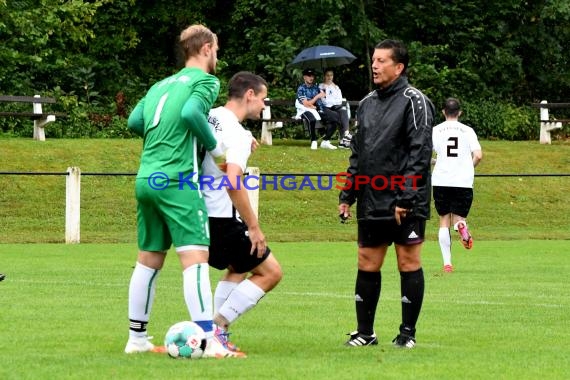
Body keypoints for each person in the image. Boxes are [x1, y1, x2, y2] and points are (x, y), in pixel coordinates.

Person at [124, 24, 240, 358]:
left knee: (148, 259)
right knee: (195, 258)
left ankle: (137, 339)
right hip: (178, 179)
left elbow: (134, 121)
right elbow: (191, 113)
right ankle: (208, 341)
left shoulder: (160, 85)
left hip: (147, 177)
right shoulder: (206, 81)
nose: (217, 55)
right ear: (205, 48)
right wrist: (218, 152)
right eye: (216, 49)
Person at [339, 39, 434, 349]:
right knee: (367, 261)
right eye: (374, 60)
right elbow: (358, 153)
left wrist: (406, 198)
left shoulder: (415, 101)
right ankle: (365, 333)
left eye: (381, 61)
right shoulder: (365, 103)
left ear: (399, 67)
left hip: (404, 200)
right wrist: (348, 194)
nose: (375, 66)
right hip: (371, 198)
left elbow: (419, 152)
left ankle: (407, 334)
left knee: (407, 262)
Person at [202, 71, 283, 354]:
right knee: (271, 273)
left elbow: (210, 161)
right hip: (222, 216)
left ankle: (214, 333)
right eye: (262, 99)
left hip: (199, 212)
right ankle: (216, 328)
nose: (263, 106)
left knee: (238, 268)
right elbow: (234, 181)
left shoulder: (209, 115)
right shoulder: (236, 132)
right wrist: (254, 226)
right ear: (250, 95)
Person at [432, 97, 483, 272]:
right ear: (459, 112)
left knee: (443, 219)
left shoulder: (436, 130)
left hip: (441, 180)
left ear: (443, 112)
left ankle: (447, 263)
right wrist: (469, 167)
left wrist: (434, 162)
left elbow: (424, 155)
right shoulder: (468, 131)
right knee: (459, 217)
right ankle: (460, 225)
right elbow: (478, 155)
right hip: (463, 180)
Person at [295, 68, 340, 150]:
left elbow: (323, 98)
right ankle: (313, 141)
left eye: (312, 76)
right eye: (309, 76)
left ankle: (325, 141)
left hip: (318, 109)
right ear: (304, 77)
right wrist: (317, 97)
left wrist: (323, 94)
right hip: (304, 110)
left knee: (335, 117)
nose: (311, 78)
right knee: (311, 119)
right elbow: (306, 104)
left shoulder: (316, 87)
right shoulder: (301, 88)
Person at [320, 68, 352, 149]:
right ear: (324, 76)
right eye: (327, 75)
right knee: (338, 116)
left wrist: (331, 100)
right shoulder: (321, 86)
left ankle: (346, 134)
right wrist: (332, 100)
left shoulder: (336, 87)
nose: (329, 77)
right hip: (325, 109)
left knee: (343, 111)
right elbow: (324, 102)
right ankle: (343, 140)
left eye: (331, 75)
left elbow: (339, 101)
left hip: (335, 107)